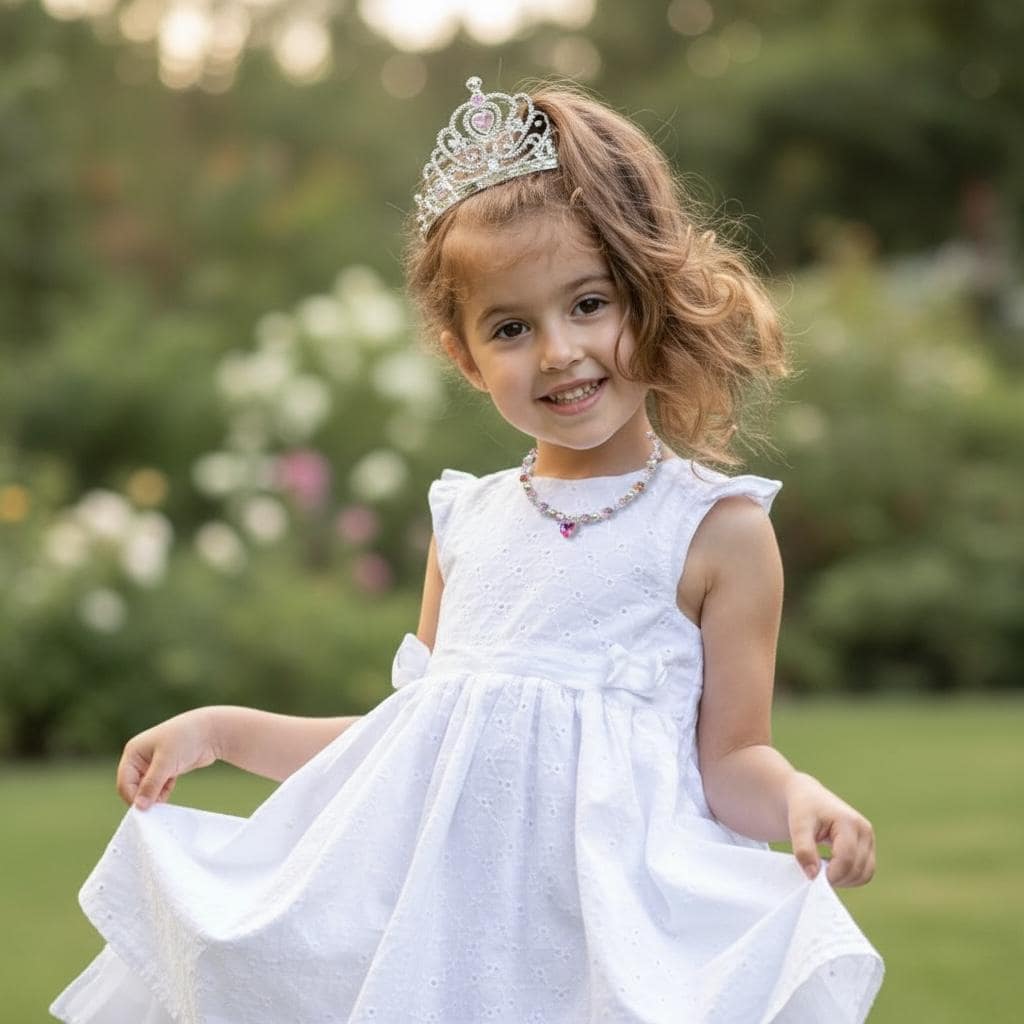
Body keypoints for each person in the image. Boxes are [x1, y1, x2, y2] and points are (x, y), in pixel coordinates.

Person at [51, 74, 885, 1023]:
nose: (560, 352)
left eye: (589, 304)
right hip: (450, 953)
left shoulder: (717, 533)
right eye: (511, 327)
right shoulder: (469, 523)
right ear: (464, 353)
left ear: (649, 298)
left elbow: (731, 762)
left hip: (604, 950)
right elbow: (404, 748)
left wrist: (797, 802)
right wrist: (221, 732)